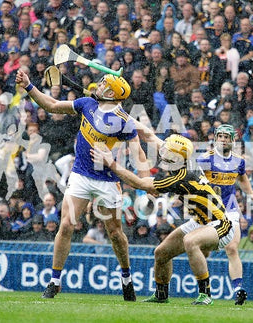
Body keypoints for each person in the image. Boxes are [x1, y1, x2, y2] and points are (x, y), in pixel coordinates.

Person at [15, 67, 149, 301]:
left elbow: (139, 157)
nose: (100, 85)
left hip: (107, 179)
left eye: (105, 85)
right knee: (66, 224)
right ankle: (55, 281)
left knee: (115, 234)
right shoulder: (87, 103)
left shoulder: (124, 123)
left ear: (113, 94)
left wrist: (147, 184)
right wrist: (29, 85)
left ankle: (126, 277)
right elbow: (53, 105)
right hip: (80, 174)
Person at [92, 132, 234, 305]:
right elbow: (151, 137)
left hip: (220, 224)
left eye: (168, 151)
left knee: (190, 241)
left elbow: (140, 184)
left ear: (176, 157)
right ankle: (161, 295)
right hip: (199, 221)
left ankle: (206, 295)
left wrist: (111, 163)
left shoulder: (180, 177)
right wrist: (128, 120)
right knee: (161, 253)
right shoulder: (185, 161)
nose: (163, 153)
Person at [197, 124, 253, 305]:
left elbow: (242, 179)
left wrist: (252, 195)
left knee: (232, 248)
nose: (223, 140)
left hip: (230, 209)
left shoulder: (239, 161)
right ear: (215, 139)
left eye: (227, 137)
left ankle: (238, 289)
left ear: (232, 140)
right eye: (220, 136)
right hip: (208, 209)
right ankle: (204, 292)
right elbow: (194, 181)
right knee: (203, 251)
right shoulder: (205, 159)